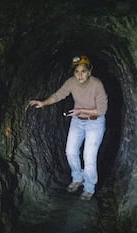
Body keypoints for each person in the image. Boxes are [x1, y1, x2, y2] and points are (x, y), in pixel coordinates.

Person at [28, 55, 107, 200]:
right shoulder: (71, 82)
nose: (79, 75)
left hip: (95, 122)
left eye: (83, 71)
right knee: (70, 151)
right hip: (77, 121)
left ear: (90, 71)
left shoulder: (97, 84)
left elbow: (102, 110)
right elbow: (58, 95)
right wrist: (43, 103)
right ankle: (77, 178)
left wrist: (82, 111)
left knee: (88, 158)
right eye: (76, 72)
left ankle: (89, 188)